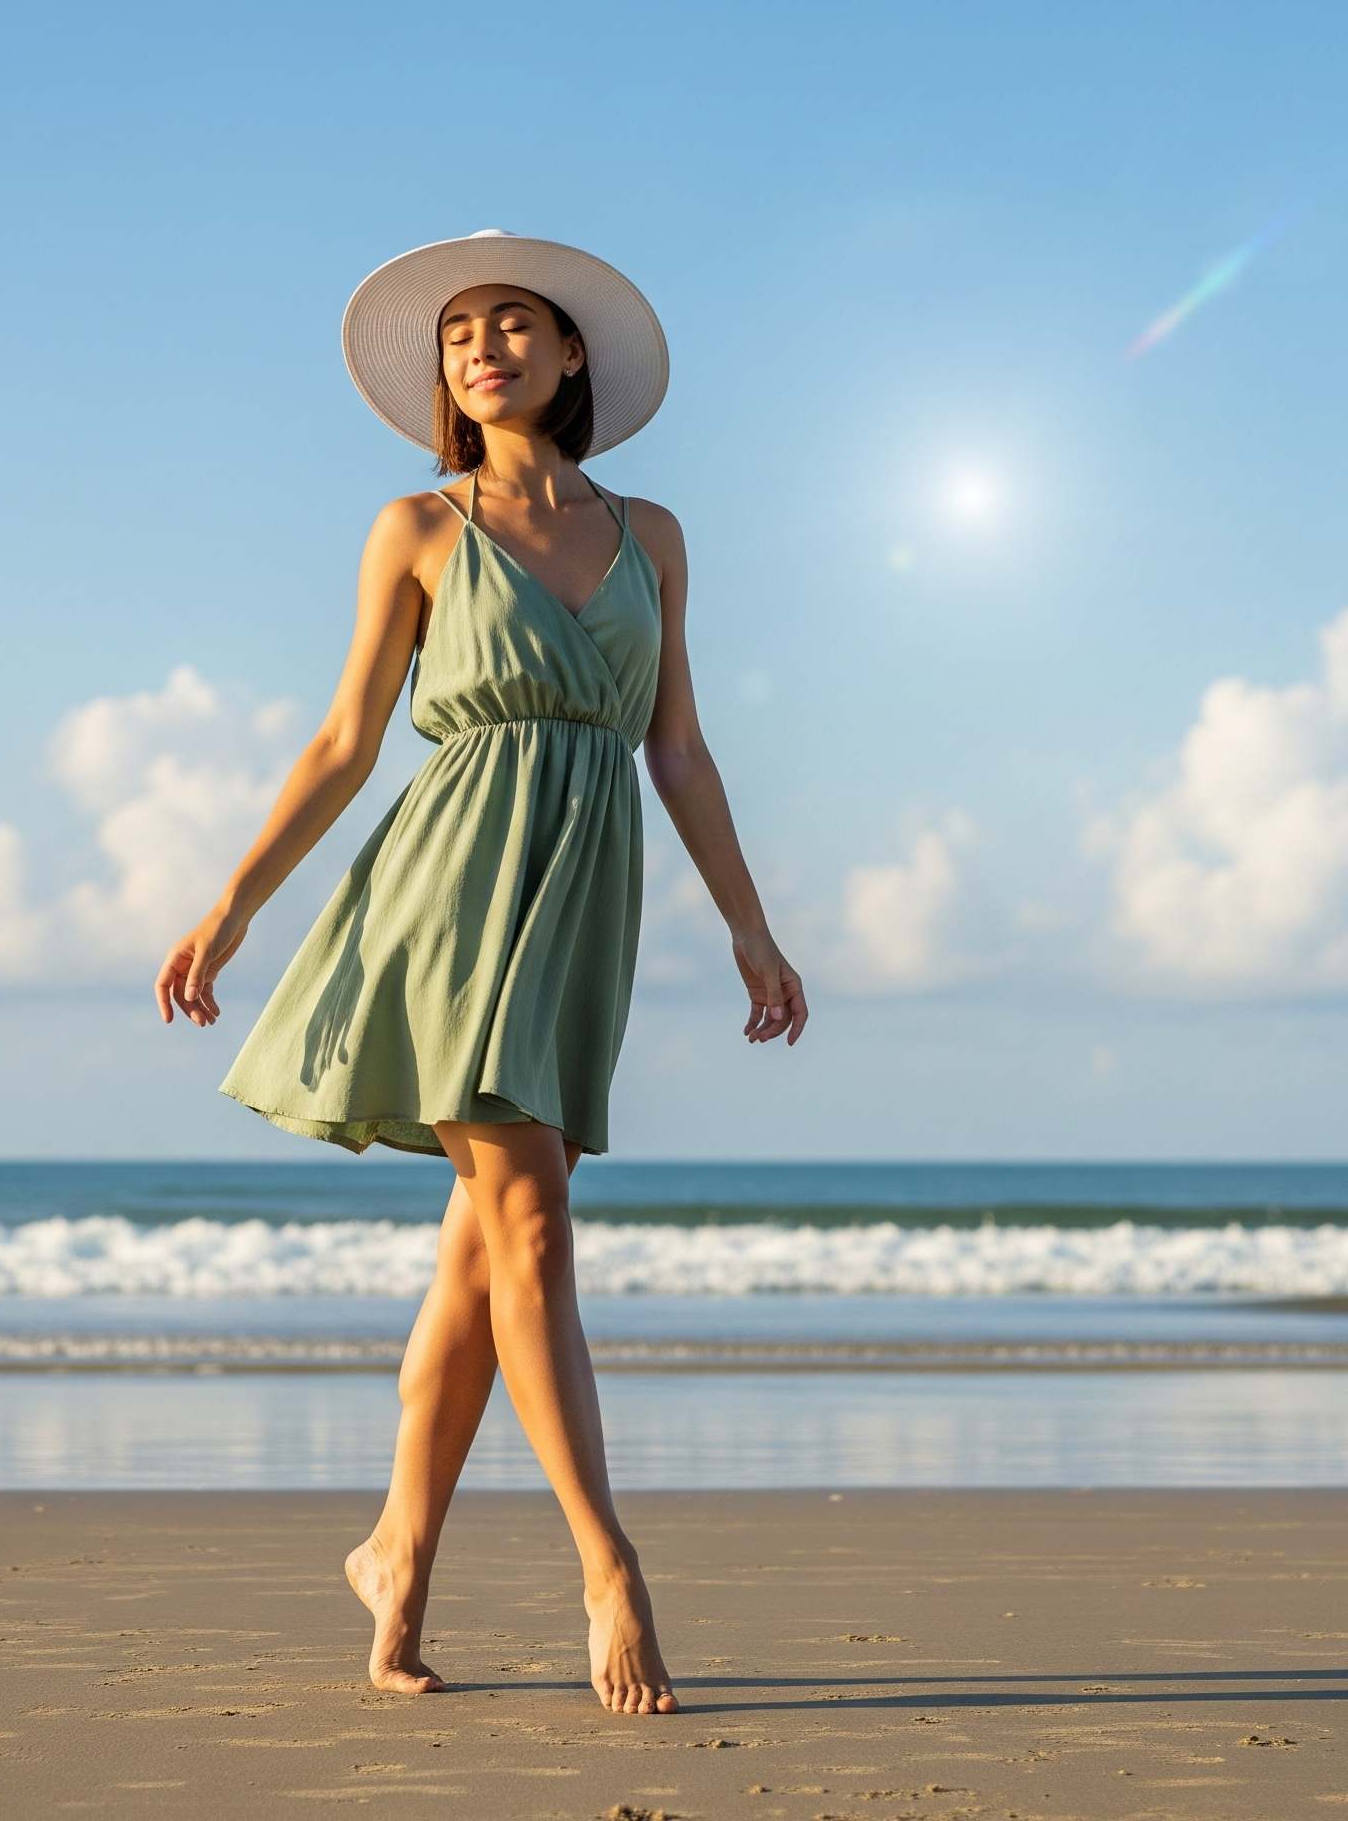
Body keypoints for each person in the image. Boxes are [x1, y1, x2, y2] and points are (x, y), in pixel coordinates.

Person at [155, 231, 806, 1716]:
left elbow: (679, 748)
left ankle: (397, 1554)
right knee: (531, 1221)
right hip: (450, 891)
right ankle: (608, 1567)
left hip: (586, 892)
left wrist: (749, 926)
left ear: (573, 358)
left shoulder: (655, 535)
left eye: (516, 325)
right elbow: (344, 743)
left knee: (484, 1243)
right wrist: (234, 906)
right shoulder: (417, 528)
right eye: (462, 333)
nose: (484, 348)